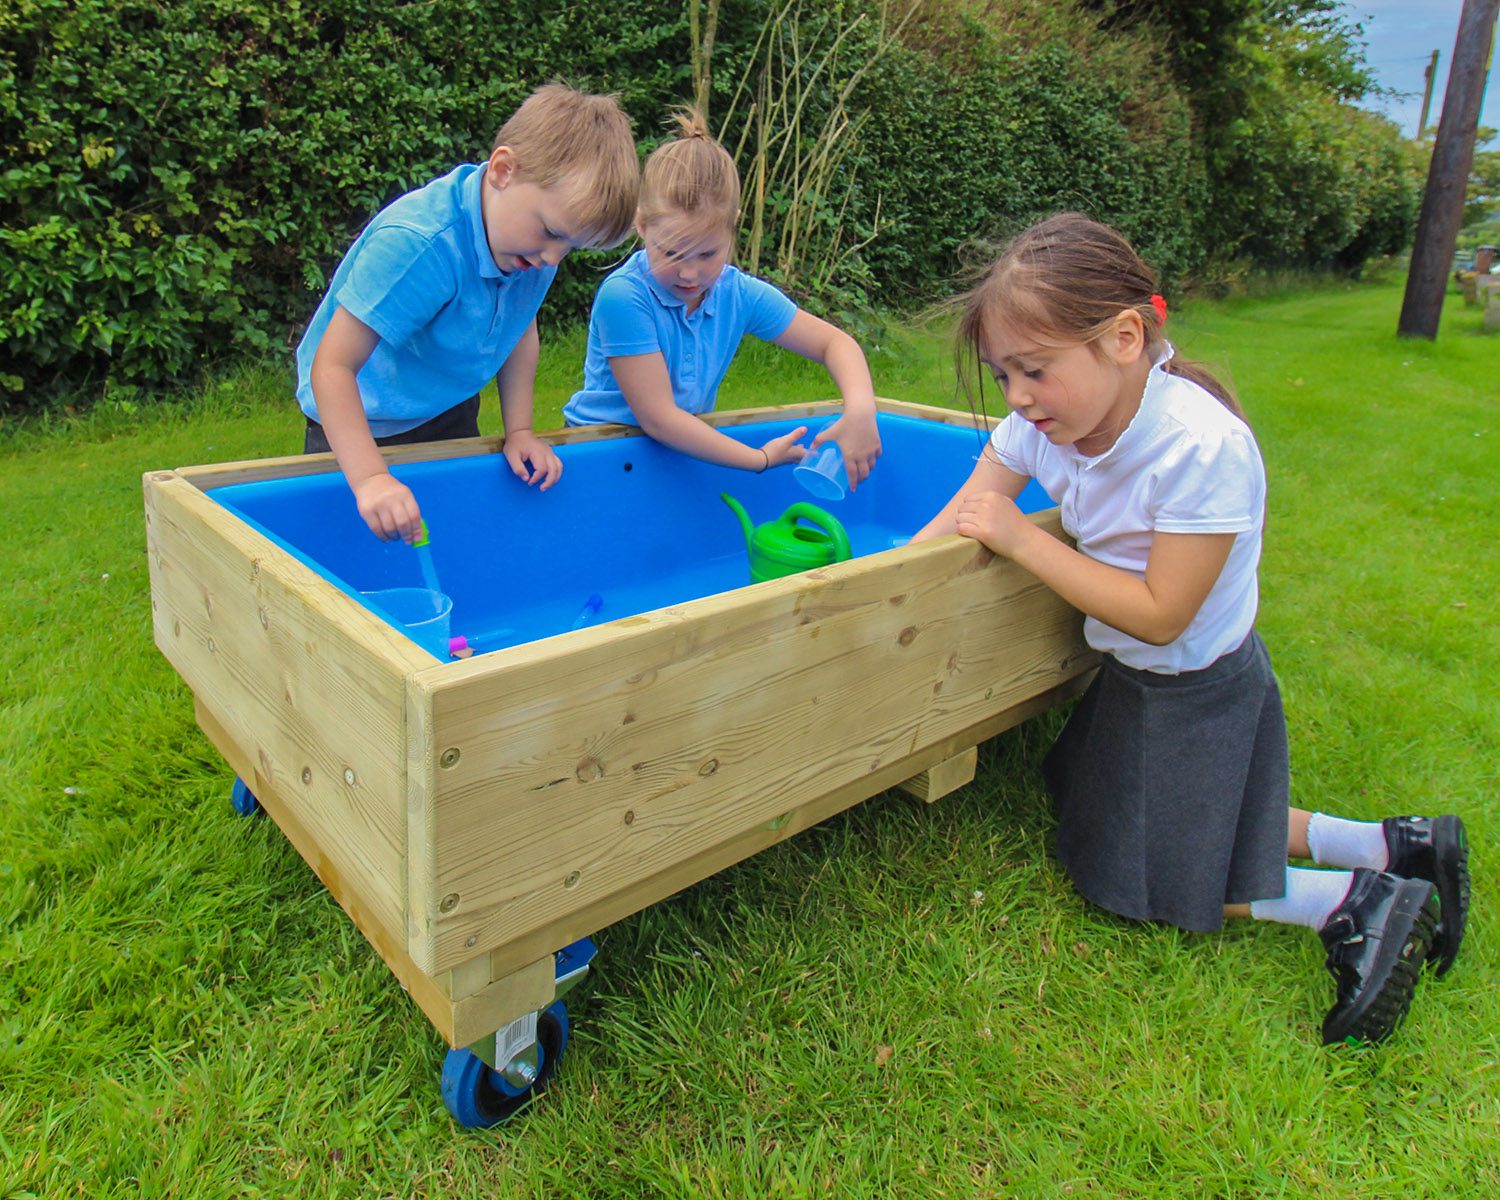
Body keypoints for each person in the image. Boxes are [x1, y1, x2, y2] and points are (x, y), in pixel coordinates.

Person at [913, 213, 1470, 1044]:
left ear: (1125, 338)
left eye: (1034, 370)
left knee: (1146, 870)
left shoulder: (1198, 449)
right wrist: (886, 591)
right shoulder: (1045, 426)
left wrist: (1024, 536)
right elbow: (962, 510)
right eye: (1003, 376)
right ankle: (1397, 845)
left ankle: (1359, 907)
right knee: (1108, 804)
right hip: (1139, 681)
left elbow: (1160, 611)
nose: (1018, 397)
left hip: (1196, 687)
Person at [296, 84, 639, 543]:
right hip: (360, 417)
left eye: (571, 246)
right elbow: (333, 367)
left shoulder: (528, 248)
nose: (554, 259)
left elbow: (520, 328)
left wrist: (519, 430)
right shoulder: (419, 246)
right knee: (358, 551)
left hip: (446, 403)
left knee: (449, 536)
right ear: (502, 170)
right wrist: (370, 479)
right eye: (552, 232)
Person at [562, 111, 881, 486]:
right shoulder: (625, 297)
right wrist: (759, 459)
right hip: (599, 456)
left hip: (678, 450)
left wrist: (862, 411)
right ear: (642, 225)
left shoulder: (737, 293)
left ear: (733, 230)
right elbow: (659, 418)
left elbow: (835, 343)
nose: (690, 273)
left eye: (708, 254)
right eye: (672, 253)